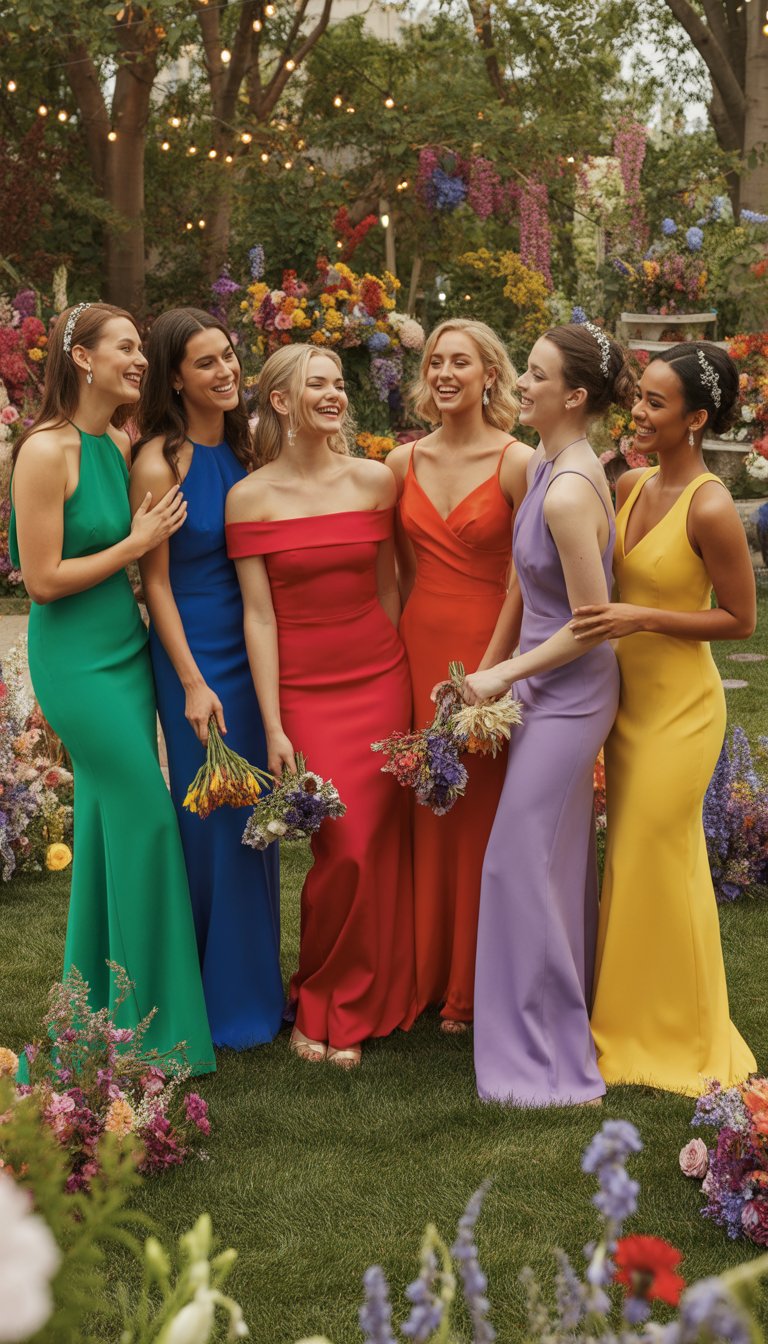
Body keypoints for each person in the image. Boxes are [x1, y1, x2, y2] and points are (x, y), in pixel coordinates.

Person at [9, 301, 214, 1074]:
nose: (140, 360)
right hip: (75, 662)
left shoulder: (118, 444)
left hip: (126, 656)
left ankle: (100, 1016)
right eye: (126, 347)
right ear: (83, 358)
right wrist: (135, 544)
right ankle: (162, 1033)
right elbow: (43, 580)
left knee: (101, 834)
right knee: (150, 822)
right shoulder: (46, 452)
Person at [572, 341, 757, 1095]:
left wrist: (641, 615)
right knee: (638, 860)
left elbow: (741, 621)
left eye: (655, 402)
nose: (638, 411)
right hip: (627, 705)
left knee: (656, 852)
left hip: (682, 710)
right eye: (638, 396)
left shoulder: (710, 504)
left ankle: (678, 1035)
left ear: (698, 418)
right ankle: (624, 1019)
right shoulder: (629, 483)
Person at [225, 345, 416, 1068]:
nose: (335, 394)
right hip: (304, 691)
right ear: (279, 401)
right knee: (338, 847)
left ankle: (358, 998)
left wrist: (400, 671)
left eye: (340, 383)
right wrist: (273, 723)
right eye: (318, 385)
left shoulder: (375, 481)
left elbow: (391, 586)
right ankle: (318, 994)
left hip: (379, 679)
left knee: (371, 844)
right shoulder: (250, 497)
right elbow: (259, 618)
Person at [461, 322, 632, 1106]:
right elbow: (524, 589)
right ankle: (547, 1019)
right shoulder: (543, 465)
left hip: (574, 693)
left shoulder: (567, 490)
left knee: (517, 861)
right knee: (550, 863)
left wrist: (507, 674)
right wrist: (492, 673)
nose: (519, 383)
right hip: (538, 686)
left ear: (575, 396)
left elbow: (590, 621)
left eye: (533, 374)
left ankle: (546, 1055)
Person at [131, 308, 282, 1050]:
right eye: (205, 363)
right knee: (210, 818)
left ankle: (256, 987)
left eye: (228, 356)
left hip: (252, 649)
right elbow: (153, 583)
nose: (225, 372)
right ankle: (215, 1000)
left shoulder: (252, 451)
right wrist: (191, 681)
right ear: (175, 377)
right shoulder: (162, 460)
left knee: (254, 819)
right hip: (192, 652)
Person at [386, 319, 531, 1032]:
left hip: (491, 647)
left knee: (479, 810)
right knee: (428, 807)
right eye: (436, 361)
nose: (445, 373)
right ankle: (427, 974)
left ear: (489, 376)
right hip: (419, 647)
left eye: (460, 362)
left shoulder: (517, 461)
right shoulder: (397, 463)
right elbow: (399, 572)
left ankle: (475, 986)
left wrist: (495, 671)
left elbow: (525, 580)